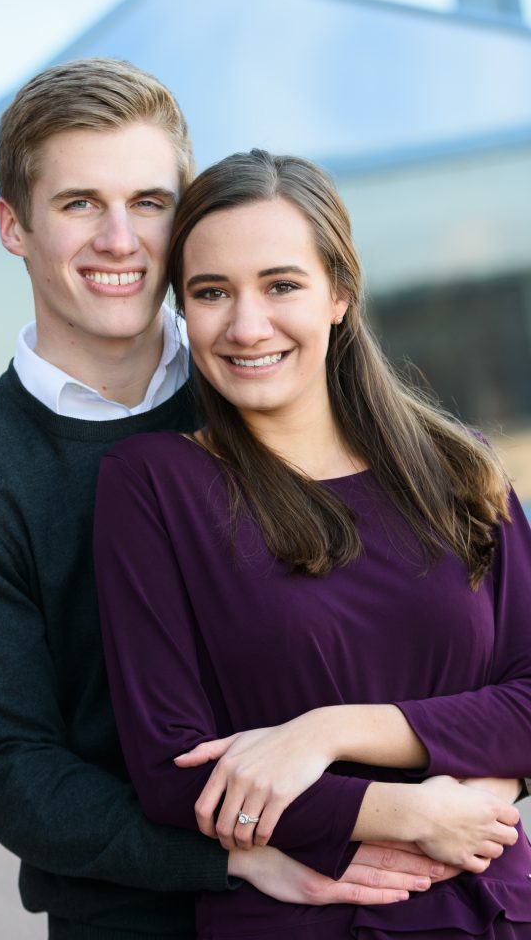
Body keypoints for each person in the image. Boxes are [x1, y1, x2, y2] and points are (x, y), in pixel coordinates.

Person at [0, 61, 447, 940]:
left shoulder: (270, 378)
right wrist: (234, 856)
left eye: (150, 202)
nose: (121, 239)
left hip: (381, 891)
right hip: (141, 918)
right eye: (80, 203)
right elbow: (12, 769)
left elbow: (453, 636)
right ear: (13, 226)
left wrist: (476, 786)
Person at [94, 149, 531, 938]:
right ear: (183, 312)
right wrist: (407, 812)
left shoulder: (460, 466)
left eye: (281, 284)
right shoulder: (154, 486)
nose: (246, 325)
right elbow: (170, 768)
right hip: (313, 919)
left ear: (339, 292)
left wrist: (324, 733)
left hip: (494, 904)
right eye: (211, 293)